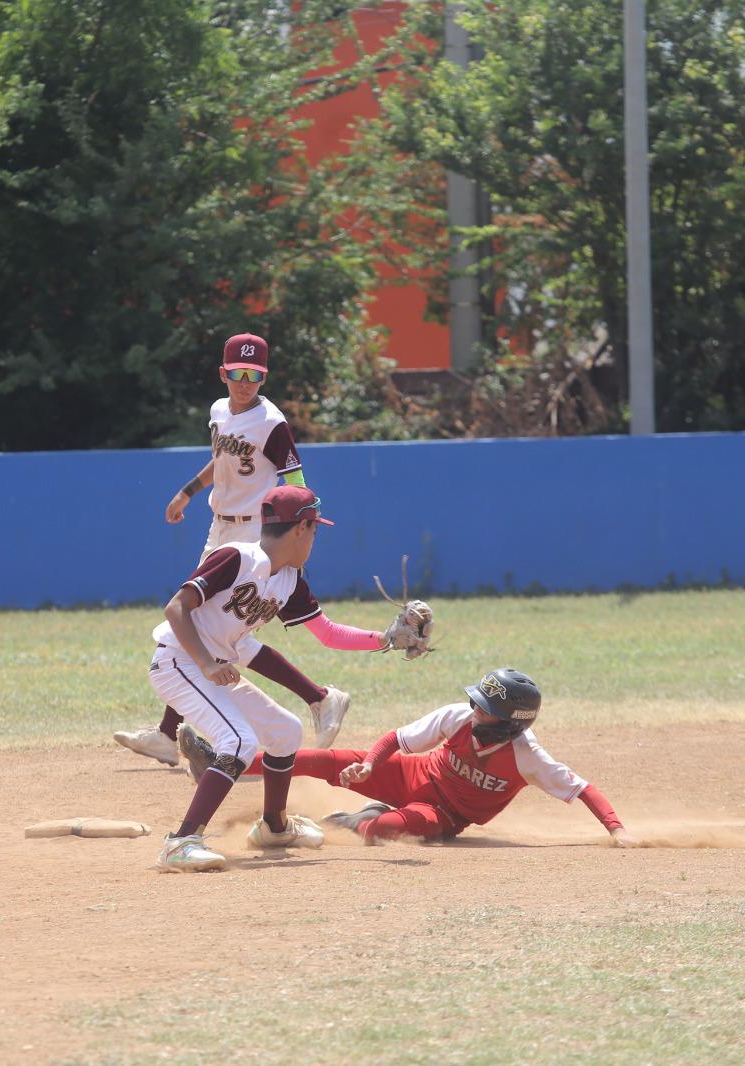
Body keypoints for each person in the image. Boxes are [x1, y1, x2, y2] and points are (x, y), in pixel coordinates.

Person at [114, 332, 350, 769]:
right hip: (219, 525)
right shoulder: (220, 410)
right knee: (211, 627)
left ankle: (313, 700)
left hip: (253, 533)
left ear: (264, 377)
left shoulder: (271, 423)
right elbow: (222, 459)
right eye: (238, 373)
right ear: (223, 373)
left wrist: (302, 522)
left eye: (255, 375)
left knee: (214, 627)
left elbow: (296, 481)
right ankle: (317, 698)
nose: (245, 382)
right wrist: (186, 491)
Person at [151, 485, 393, 872]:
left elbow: (328, 633)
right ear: (301, 528)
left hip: (212, 669)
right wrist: (208, 663)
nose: (315, 537)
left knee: (285, 730)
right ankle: (181, 841)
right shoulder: (234, 557)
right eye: (315, 529)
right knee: (239, 740)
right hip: (178, 663)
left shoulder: (289, 580)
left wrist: (387, 639)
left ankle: (274, 828)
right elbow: (176, 608)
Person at [177, 667, 637, 849]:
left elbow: (582, 788)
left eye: (486, 707)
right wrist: (372, 765)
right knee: (325, 759)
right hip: (410, 774)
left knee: (385, 830)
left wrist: (616, 830)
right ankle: (229, 764)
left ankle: (357, 818)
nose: (474, 708)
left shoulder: (525, 755)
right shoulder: (460, 717)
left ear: (507, 723)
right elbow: (398, 738)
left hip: (441, 812)